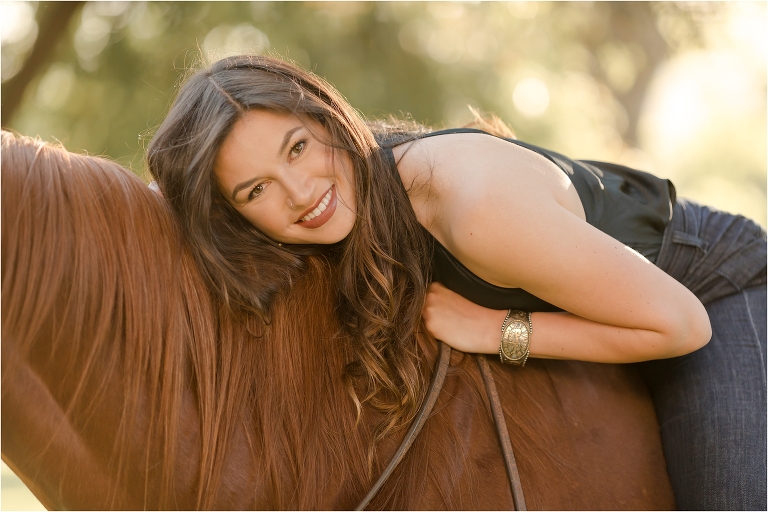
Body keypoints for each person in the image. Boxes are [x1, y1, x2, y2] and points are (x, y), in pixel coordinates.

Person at [147, 55, 766, 510]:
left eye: (297, 147)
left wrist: (498, 331)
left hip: (712, 287)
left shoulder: (471, 207)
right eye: (256, 190)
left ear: (329, 118)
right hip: (605, 317)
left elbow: (680, 324)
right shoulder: (345, 218)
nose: (302, 193)